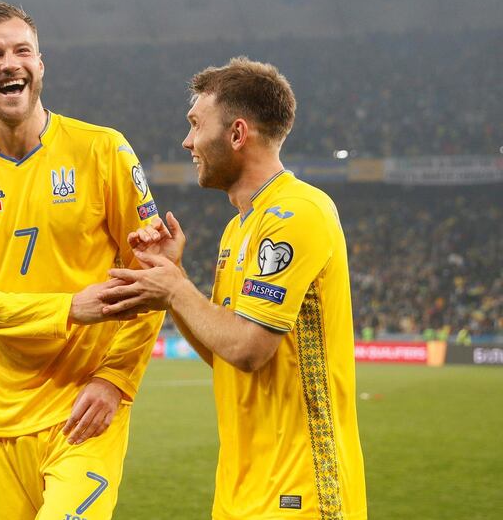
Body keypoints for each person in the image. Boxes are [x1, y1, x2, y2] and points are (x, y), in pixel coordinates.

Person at [100, 57, 367, 519]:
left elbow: (249, 349)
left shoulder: (297, 212)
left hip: (300, 491)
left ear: (237, 134)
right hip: (241, 489)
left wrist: (175, 291)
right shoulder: (237, 230)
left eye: (196, 125)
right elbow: (224, 353)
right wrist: (175, 277)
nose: (187, 141)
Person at [0, 1, 164, 520]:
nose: (10, 63)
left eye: (22, 50)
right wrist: (66, 309)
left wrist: (115, 379)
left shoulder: (104, 150)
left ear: (41, 63)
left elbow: (153, 274)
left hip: (85, 409)